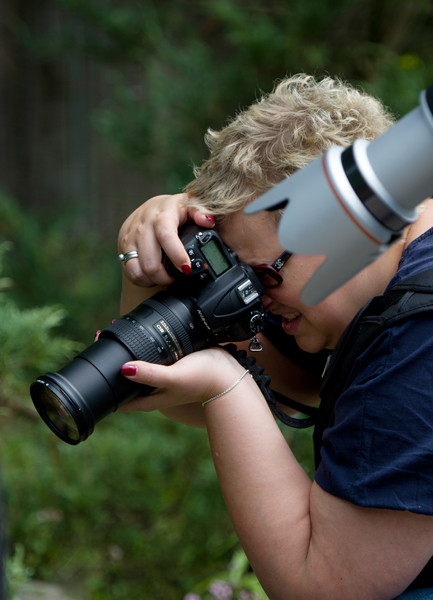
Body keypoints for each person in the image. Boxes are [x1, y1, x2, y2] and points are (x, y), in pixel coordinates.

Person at [116, 74, 433, 599]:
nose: (254, 299)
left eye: (263, 273)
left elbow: (323, 588)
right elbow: (232, 389)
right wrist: (149, 265)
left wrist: (224, 388)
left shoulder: (418, 335)